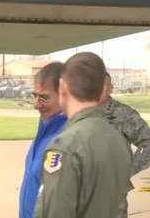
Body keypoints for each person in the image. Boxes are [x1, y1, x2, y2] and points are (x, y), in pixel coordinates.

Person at [34, 52, 133, 218]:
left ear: (63, 87)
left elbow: (54, 212)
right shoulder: (118, 141)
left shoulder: (65, 146)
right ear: (102, 90)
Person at [99, 72, 150, 218]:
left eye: (102, 87)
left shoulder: (124, 114)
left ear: (110, 88)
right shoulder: (79, 113)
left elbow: (148, 143)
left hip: (114, 193)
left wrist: (128, 169)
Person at [19, 62, 67, 218]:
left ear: (65, 94)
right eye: (35, 96)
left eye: (44, 98)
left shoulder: (68, 138)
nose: (36, 104)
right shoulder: (46, 127)